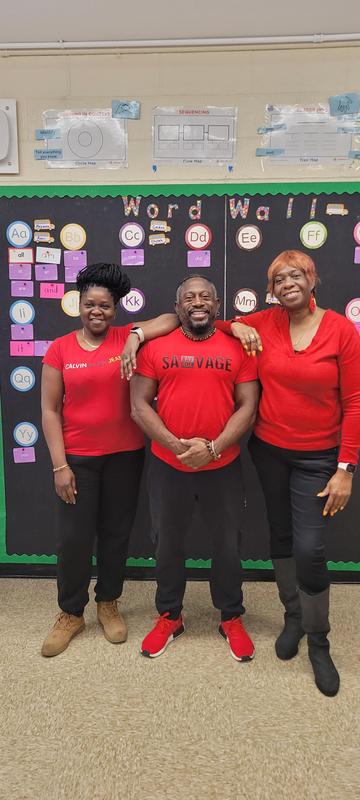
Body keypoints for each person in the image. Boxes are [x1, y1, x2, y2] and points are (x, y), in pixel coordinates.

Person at [217, 250, 360, 696]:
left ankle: (319, 643)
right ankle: (293, 619)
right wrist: (236, 325)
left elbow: (355, 401)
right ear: (272, 289)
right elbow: (219, 325)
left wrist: (345, 468)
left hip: (320, 458)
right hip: (269, 452)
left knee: (311, 548)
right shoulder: (265, 323)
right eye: (279, 279)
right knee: (280, 536)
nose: (287, 284)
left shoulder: (341, 330)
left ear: (312, 280)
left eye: (295, 275)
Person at [41, 262, 177, 657]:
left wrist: (135, 335)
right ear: (79, 306)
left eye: (104, 305)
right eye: (89, 304)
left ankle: (108, 603)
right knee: (73, 540)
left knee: (116, 536)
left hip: (125, 457)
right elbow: (50, 411)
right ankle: (70, 612)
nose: (96, 311)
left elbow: (170, 319)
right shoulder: (60, 348)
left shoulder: (125, 338)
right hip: (78, 460)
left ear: (115, 309)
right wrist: (59, 465)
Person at [130, 275, 259, 660]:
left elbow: (248, 406)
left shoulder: (238, 346)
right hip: (169, 465)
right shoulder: (155, 347)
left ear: (217, 306)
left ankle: (231, 616)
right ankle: (170, 615)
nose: (197, 302)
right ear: (177, 307)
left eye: (205, 296)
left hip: (223, 465)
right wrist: (177, 446)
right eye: (189, 297)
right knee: (167, 543)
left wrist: (215, 448)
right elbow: (139, 405)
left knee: (227, 545)